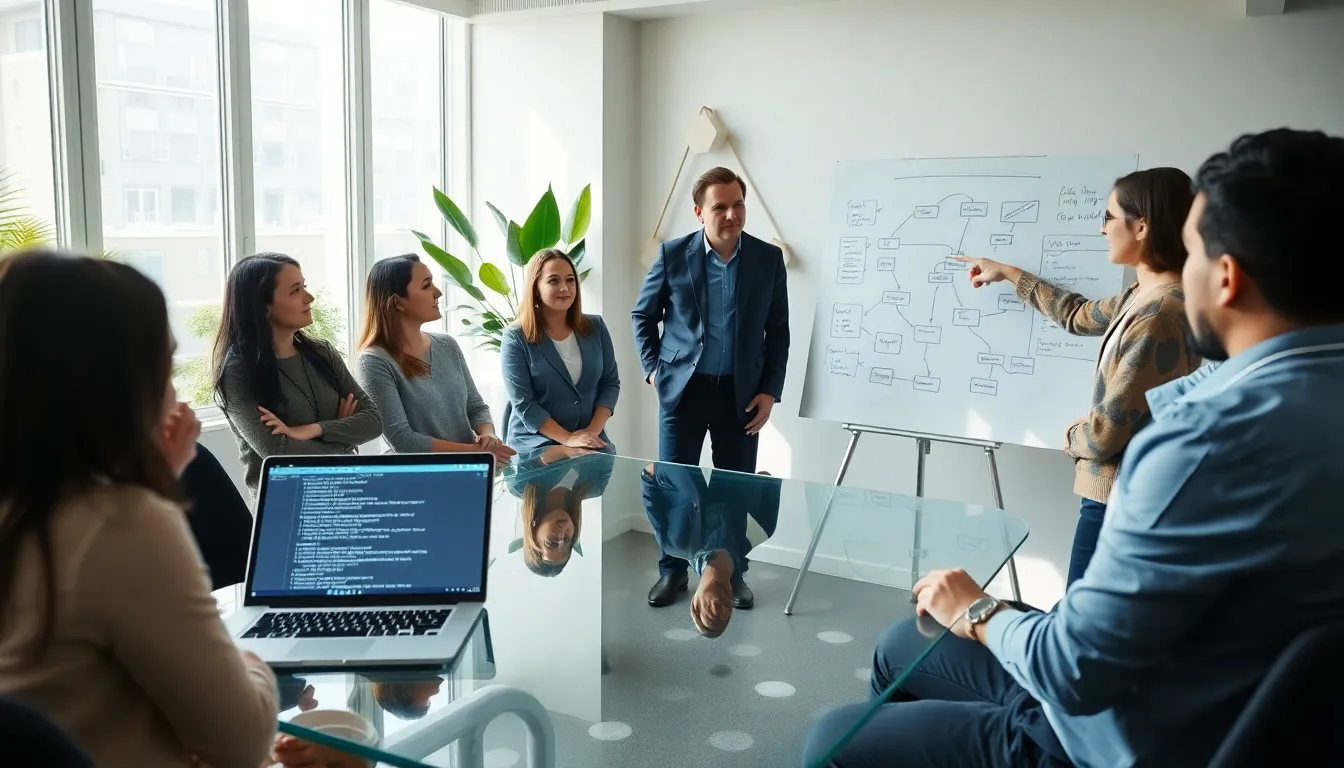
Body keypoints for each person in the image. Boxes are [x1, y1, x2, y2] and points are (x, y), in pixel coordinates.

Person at [802, 128, 1344, 768]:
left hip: (1106, 734)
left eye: (1194, 250)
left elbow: (1074, 669)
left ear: (1226, 279)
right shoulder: (1284, 392)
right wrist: (1011, 274)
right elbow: (1086, 315)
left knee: (830, 739)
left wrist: (979, 608)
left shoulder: (1196, 447)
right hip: (1204, 700)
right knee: (903, 642)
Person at [0, 251, 279, 767]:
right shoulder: (120, 524)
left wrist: (150, 481)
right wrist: (253, 656)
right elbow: (242, 742)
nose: (176, 397)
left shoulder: (44, 508)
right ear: (111, 384)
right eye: (165, 368)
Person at [956, 168, 1201, 586]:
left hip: (1120, 494)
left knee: (1083, 610)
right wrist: (1009, 272)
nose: (1102, 228)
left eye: (1108, 217)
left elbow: (1106, 434)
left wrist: (1072, 435)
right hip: (1130, 490)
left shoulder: (1157, 315)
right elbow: (1077, 315)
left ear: (1141, 226)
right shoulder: (1147, 296)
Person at [632, 166, 790, 608]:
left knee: (734, 486)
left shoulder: (767, 259)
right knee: (675, 485)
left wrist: (770, 390)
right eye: (721, 207)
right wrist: (653, 370)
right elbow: (643, 316)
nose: (732, 215)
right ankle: (672, 572)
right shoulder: (673, 255)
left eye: (738, 205)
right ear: (700, 212)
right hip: (683, 391)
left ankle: (731, 572)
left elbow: (779, 331)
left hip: (741, 394)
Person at [214, 253, 383, 495]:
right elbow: (280, 454)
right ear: (262, 307)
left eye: (304, 286)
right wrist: (344, 438)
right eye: (295, 291)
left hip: (347, 492)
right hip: (286, 503)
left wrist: (311, 430)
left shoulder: (323, 352)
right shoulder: (237, 371)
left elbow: (374, 422)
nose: (309, 297)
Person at [355, 255, 513, 466]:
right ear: (397, 302)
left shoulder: (447, 344)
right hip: (417, 476)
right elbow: (403, 440)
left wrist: (488, 436)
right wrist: (477, 453)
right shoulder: (373, 361)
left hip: (468, 469)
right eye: (426, 285)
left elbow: (476, 407)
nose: (438, 292)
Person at [501, 248, 620, 454]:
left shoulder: (596, 327)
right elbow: (524, 403)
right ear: (535, 288)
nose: (565, 288)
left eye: (570, 280)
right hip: (536, 443)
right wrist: (568, 439)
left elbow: (610, 383)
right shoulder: (515, 337)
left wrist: (591, 433)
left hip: (589, 441)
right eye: (553, 281)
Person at [640, 463, 781, 629]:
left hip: (682, 468)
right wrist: (755, 481)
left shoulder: (676, 542)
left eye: (707, 610)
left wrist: (651, 473)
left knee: (678, 457)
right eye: (724, 615)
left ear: (694, 603)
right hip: (733, 467)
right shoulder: (759, 531)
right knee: (736, 459)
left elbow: (651, 496)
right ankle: (736, 581)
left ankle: (673, 574)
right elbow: (768, 482)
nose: (717, 607)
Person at [504, 446, 614, 577]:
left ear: (533, 533)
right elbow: (606, 448)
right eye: (567, 541)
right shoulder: (595, 486)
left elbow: (518, 440)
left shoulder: (520, 484)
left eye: (552, 542)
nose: (562, 534)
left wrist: (564, 450)